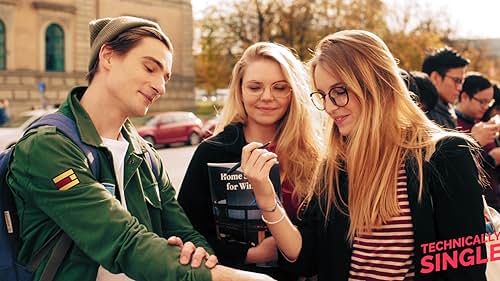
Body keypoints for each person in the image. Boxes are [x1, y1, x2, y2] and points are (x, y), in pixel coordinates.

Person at [7, 16, 275, 281]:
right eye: (150, 68)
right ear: (108, 56)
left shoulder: (146, 156)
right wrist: (237, 278)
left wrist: (199, 256)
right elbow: (124, 242)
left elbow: (187, 233)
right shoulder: (48, 146)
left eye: (166, 77)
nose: (160, 87)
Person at [242, 30, 487, 280]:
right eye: (324, 96)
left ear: (375, 83)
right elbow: (305, 260)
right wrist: (267, 199)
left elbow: (466, 271)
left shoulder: (444, 156)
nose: (328, 107)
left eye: (339, 91)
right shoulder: (335, 166)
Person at [178, 42, 322, 280]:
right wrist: (250, 254)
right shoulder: (212, 152)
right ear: (240, 90)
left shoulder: (313, 154)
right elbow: (187, 231)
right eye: (255, 87)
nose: (267, 97)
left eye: (279, 87)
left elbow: (321, 243)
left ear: (294, 92)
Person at [456, 73, 500, 211]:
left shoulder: (483, 123)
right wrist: (491, 160)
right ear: (464, 97)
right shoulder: (453, 125)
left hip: (493, 200)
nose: (486, 107)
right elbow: (457, 168)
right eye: (482, 101)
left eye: (489, 102)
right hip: (476, 206)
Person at [422, 47, 469, 129]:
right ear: (435, 77)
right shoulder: (424, 114)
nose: (460, 88)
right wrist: (475, 139)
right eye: (456, 80)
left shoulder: (446, 111)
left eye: (461, 82)